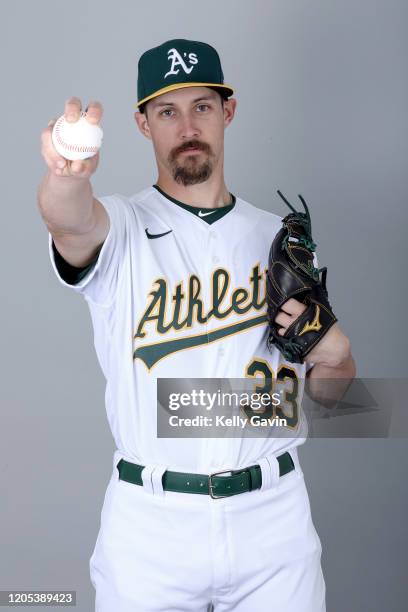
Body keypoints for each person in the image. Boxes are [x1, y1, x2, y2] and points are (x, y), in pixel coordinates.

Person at [38, 38, 355, 612]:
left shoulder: (277, 240)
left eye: (201, 107)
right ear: (142, 124)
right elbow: (69, 223)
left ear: (227, 112)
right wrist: (67, 176)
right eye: (167, 111)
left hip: (273, 521)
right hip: (151, 526)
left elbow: (334, 402)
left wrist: (335, 359)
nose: (187, 126)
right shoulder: (121, 227)